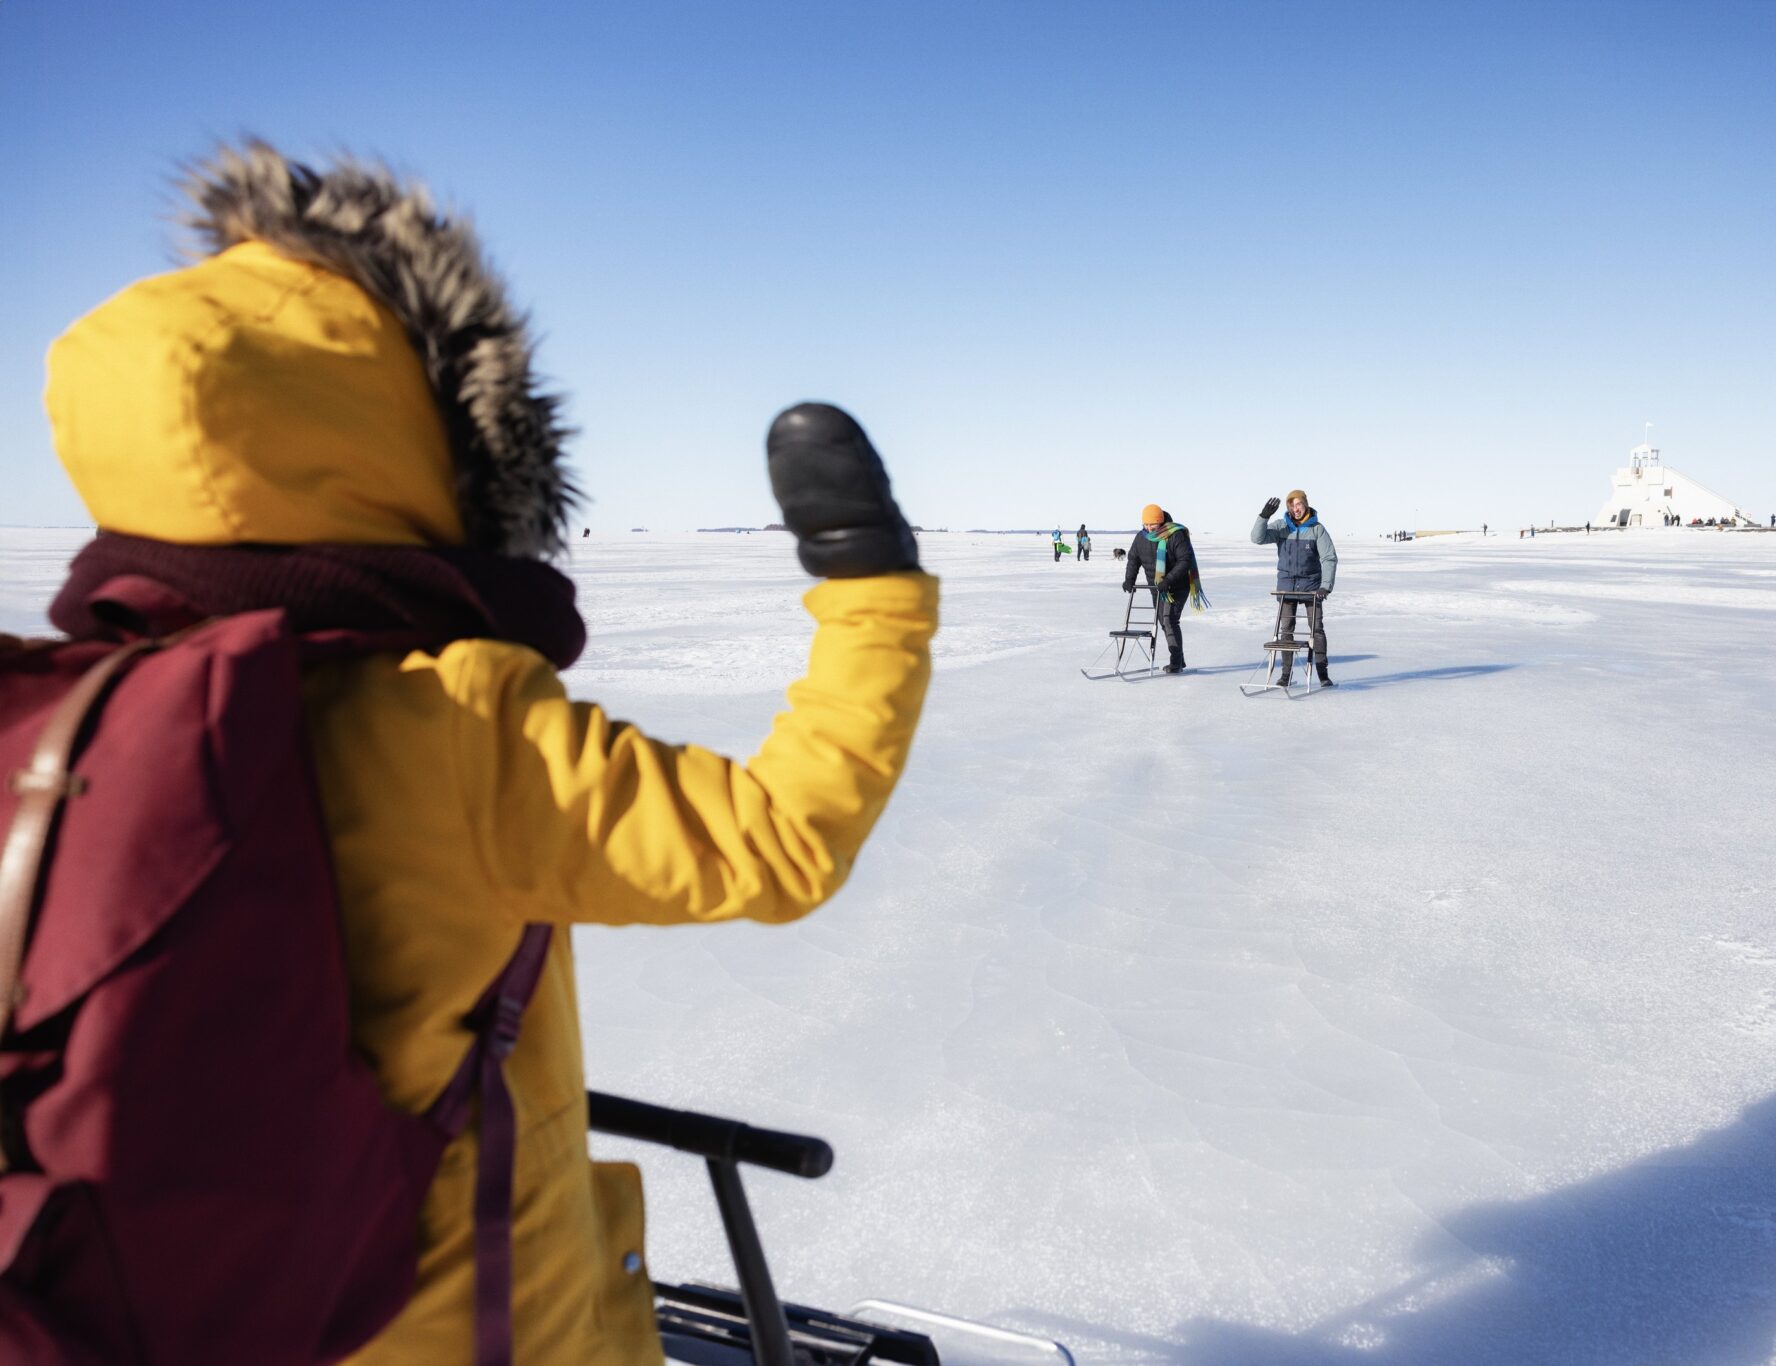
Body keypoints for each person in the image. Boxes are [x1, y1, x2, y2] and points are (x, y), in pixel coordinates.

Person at [32, 141, 938, 1364]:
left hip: (169, 1309)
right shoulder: (445, 721)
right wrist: (869, 589)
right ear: (418, 428)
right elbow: (778, 839)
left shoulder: (64, 711)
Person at [1251, 489, 1338, 687]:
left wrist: (1326, 586)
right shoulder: (1282, 527)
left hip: (1311, 588)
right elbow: (1257, 538)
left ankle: (1323, 675)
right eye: (1291, 505)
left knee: (1316, 629)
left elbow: (1329, 558)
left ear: (1305, 504)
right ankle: (1285, 675)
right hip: (1286, 586)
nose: (1295, 509)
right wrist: (1263, 516)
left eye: (1298, 504)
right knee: (1286, 630)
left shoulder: (1317, 529)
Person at [1122, 503, 1202, 673]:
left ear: (1161, 521)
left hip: (1177, 586)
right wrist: (1129, 579)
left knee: (1169, 620)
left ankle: (1175, 663)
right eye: (1146, 524)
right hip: (1156, 588)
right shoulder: (1140, 538)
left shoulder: (1175, 535)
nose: (1149, 528)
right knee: (1164, 622)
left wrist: (1168, 580)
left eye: (1153, 524)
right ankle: (1179, 659)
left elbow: (1184, 560)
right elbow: (1133, 559)